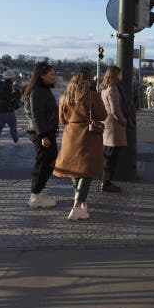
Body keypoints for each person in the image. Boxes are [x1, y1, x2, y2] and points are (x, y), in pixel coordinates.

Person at [54, 69, 107, 221]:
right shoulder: (92, 96)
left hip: (70, 134)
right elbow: (103, 115)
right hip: (87, 135)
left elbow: (62, 120)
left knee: (74, 169)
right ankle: (77, 206)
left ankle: (81, 203)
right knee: (86, 170)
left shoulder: (64, 97)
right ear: (88, 81)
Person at [23, 62, 59, 209]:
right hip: (41, 133)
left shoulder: (43, 89)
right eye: (51, 74)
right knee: (43, 163)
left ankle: (39, 190)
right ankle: (35, 195)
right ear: (42, 75)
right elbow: (37, 115)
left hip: (46, 132)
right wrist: (43, 135)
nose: (54, 76)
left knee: (50, 161)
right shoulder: (37, 91)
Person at [100, 65, 127, 193]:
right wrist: (124, 121)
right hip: (114, 126)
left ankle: (106, 181)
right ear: (116, 75)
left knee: (107, 155)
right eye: (120, 74)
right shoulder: (113, 89)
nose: (121, 76)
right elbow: (115, 110)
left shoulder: (104, 88)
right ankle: (106, 182)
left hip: (107, 125)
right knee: (112, 156)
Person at [0, 69, 20, 147]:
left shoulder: (1, 84)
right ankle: (16, 141)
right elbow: (12, 98)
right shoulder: (10, 87)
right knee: (13, 127)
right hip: (8, 109)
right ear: (11, 78)